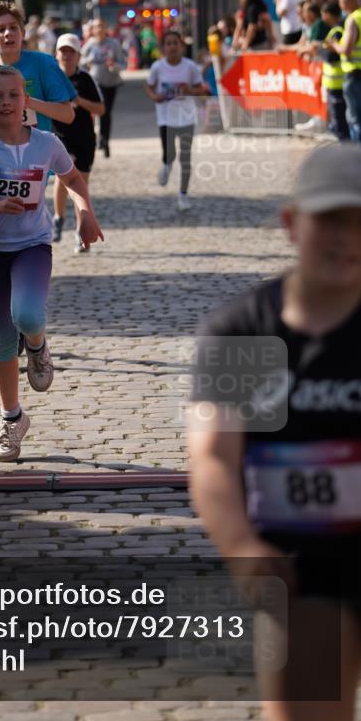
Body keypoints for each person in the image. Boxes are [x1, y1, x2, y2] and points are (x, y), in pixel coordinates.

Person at [189, 142, 361, 721]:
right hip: (297, 566)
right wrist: (240, 545)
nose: (347, 238)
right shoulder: (243, 333)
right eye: (330, 220)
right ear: (292, 223)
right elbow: (212, 458)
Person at [0, 65, 104, 461]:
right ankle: (12, 420)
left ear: (25, 100)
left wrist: (85, 211)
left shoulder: (46, 143)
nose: (5, 102)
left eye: (13, 95)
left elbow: (73, 179)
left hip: (32, 245)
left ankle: (38, 347)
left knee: (26, 316)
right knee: (2, 339)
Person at [0, 1, 75, 138]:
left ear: (22, 33)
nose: (8, 33)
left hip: (36, 151)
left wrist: (27, 102)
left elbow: (67, 115)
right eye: (0, 29)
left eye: (13, 28)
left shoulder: (44, 64)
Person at [50, 33, 106, 253]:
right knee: (63, 180)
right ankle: (58, 217)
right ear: (56, 54)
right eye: (63, 50)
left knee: (81, 185)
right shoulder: (51, 78)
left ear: (78, 55)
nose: (66, 55)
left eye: (71, 51)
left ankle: (79, 231)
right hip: (60, 137)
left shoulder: (85, 79)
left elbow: (101, 109)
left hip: (84, 137)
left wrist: (78, 101)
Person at [144, 30, 207, 212]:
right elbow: (148, 86)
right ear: (163, 48)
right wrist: (155, 96)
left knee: (185, 157)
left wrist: (190, 90)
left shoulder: (190, 67)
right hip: (165, 117)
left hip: (186, 116)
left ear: (182, 46)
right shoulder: (157, 67)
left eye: (175, 43)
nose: (172, 47)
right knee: (169, 154)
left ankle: (183, 194)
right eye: (168, 43)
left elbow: (201, 89)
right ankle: (166, 164)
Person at [80, 18, 126, 157]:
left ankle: (105, 140)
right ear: (92, 30)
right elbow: (79, 60)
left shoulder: (114, 44)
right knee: (95, 111)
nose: (99, 29)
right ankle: (95, 139)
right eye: (96, 27)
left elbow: (123, 64)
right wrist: (88, 61)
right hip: (95, 83)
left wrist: (114, 65)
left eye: (101, 26)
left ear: (105, 28)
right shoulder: (90, 44)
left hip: (111, 82)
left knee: (106, 113)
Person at [330, 0, 361, 143]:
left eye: (341, 1)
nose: (340, 5)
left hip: (355, 76)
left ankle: (356, 160)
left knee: (355, 119)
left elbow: (346, 49)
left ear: (349, 1)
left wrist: (334, 44)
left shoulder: (353, 19)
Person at [318, 2, 349, 142]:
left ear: (328, 14)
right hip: (335, 83)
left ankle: (346, 151)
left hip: (337, 83)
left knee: (340, 121)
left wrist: (320, 50)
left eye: (323, 14)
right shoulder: (336, 30)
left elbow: (331, 56)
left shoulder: (338, 31)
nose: (322, 17)